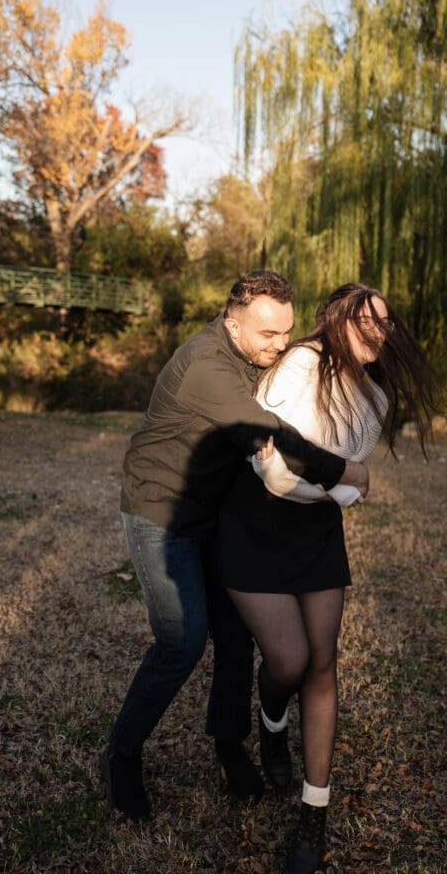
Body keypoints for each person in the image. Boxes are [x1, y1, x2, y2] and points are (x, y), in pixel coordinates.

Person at [100, 271, 370, 820]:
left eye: (286, 331)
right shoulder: (207, 365)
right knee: (182, 642)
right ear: (232, 323)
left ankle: (229, 743)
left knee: (236, 639)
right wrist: (348, 471)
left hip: (218, 514)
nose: (280, 344)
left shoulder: (264, 354)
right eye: (268, 334)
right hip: (162, 512)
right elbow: (271, 432)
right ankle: (121, 753)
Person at [218, 283, 439, 874]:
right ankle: (272, 721)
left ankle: (313, 812)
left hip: (316, 537)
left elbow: (344, 488)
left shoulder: (375, 397)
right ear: (337, 321)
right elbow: (272, 473)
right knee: (287, 662)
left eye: (385, 323)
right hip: (254, 527)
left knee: (322, 662)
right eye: (366, 322)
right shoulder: (299, 364)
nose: (378, 333)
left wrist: (339, 487)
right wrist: (342, 484)